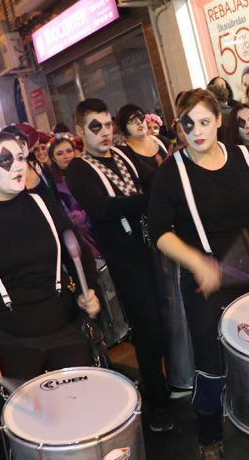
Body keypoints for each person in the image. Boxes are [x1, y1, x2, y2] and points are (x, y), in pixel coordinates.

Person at [0, 128, 100, 460]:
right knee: (19, 440)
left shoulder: (44, 205)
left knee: (81, 426)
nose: (17, 166)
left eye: (20, 157)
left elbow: (79, 255)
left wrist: (90, 296)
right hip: (9, 343)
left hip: (63, 332)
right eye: (5, 160)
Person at [148, 89, 249, 459]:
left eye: (205, 121)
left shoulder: (240, 155)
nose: (198, 131)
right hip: (205, 278)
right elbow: (159, 231)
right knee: (211, 361)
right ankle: (209, 435)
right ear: (179, 128)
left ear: (219, 121)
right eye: (188, 124)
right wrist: (196, 263)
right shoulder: (170, 173)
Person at [65, 99, 175, 432]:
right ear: (81, 131)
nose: (104, 132)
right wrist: (148, 200)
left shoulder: (123, 154)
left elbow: (154, 180)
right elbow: (103, 209)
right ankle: (158, 401)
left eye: (107, 124)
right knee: (147, 327)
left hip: (151, 247)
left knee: (167, 319)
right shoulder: (78, 168)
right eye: (94, 127)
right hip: (125, 259)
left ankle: (173, 383)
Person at [47, 135, 99, 256]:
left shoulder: (86, 171)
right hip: (77, 230)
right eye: (60, 153)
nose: (66, 156)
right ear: (53, 158)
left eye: (69, 151)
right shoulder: (54, 182)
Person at [116, 103, 169, 173]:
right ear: (124, 127)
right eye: (132, 120)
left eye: (141, 118)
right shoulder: (123, 153)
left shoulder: (161, 140)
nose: (139, 122)